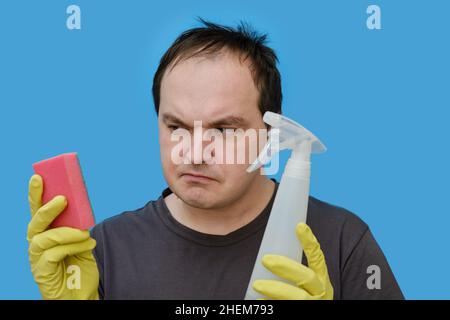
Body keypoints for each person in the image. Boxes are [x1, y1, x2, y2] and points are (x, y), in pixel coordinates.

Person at [26, 19, 404, 300]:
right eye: (176, 126)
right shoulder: (102, 249)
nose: (193, 151)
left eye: (224, 130)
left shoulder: (341, 241)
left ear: (271, 135)